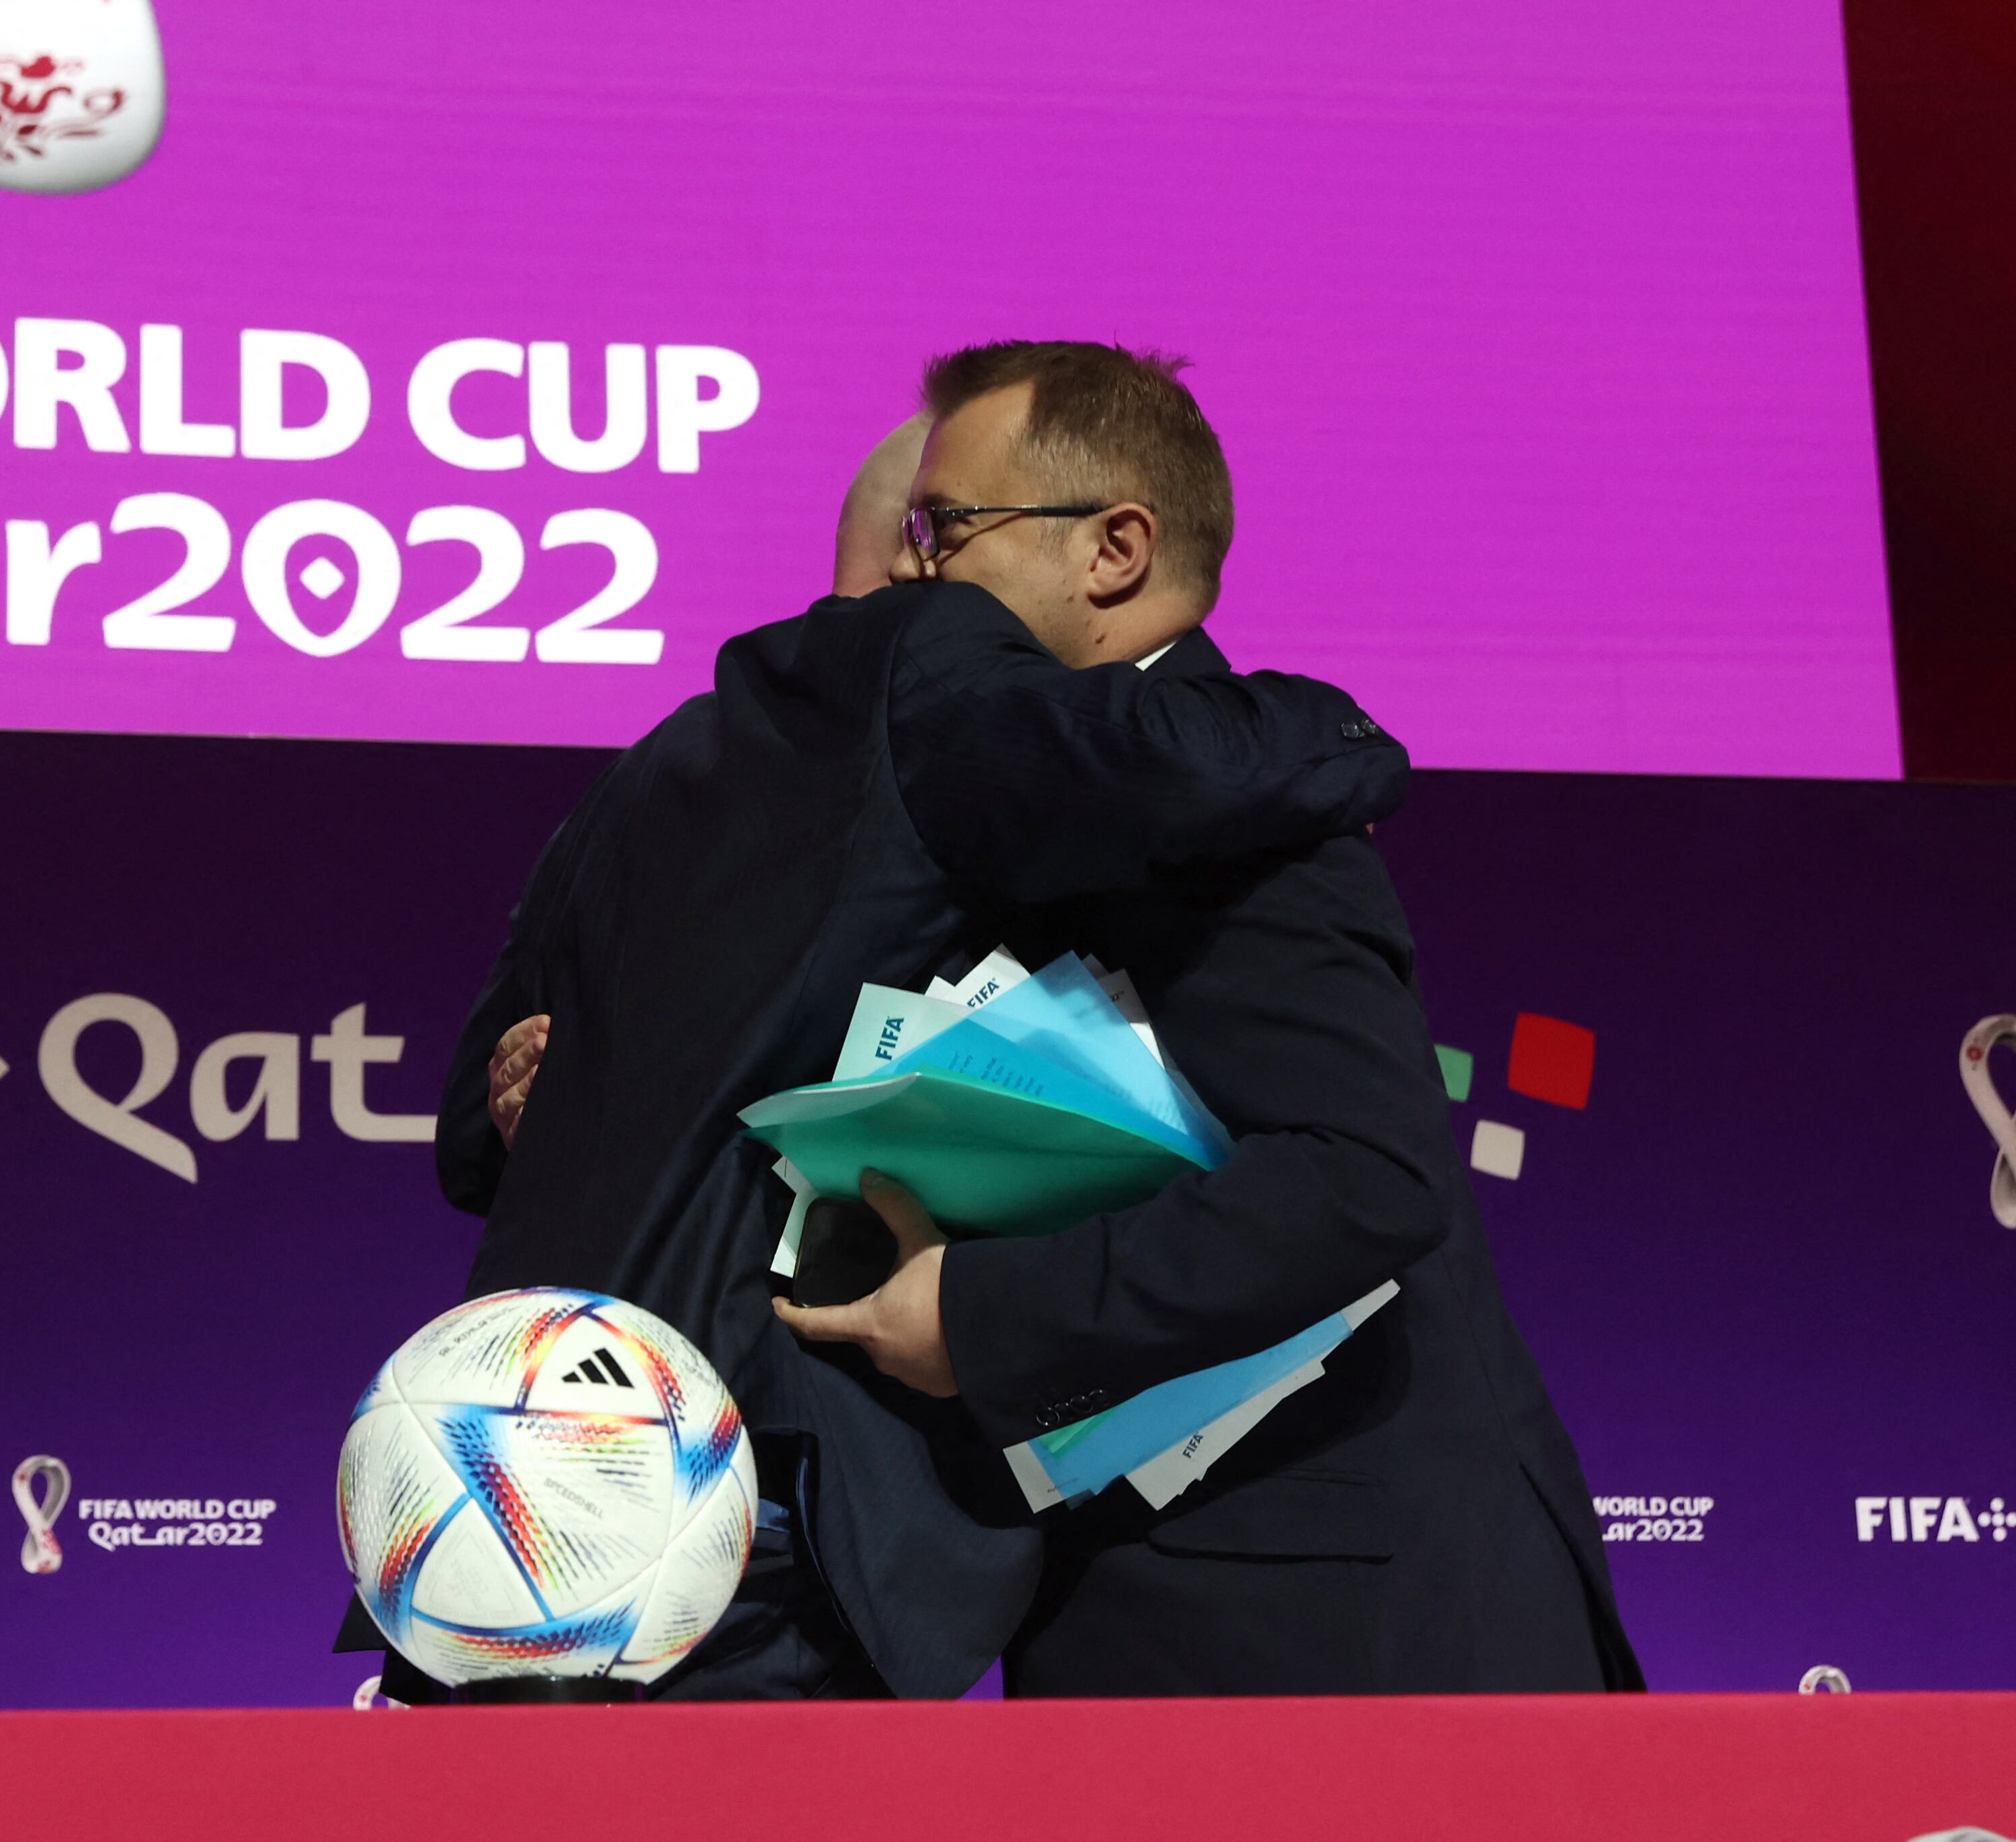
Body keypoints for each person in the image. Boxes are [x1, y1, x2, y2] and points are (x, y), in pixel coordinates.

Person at [363, 344, 1490, 1700]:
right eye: (939, 537)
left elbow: (471, 1144)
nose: (946, 573)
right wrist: (1350, 740)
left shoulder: (657, 764)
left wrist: (552, 1082)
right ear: (916, 578)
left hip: (501, 1484)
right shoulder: (929, 671)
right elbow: (1193, 757)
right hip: (734, 1500)